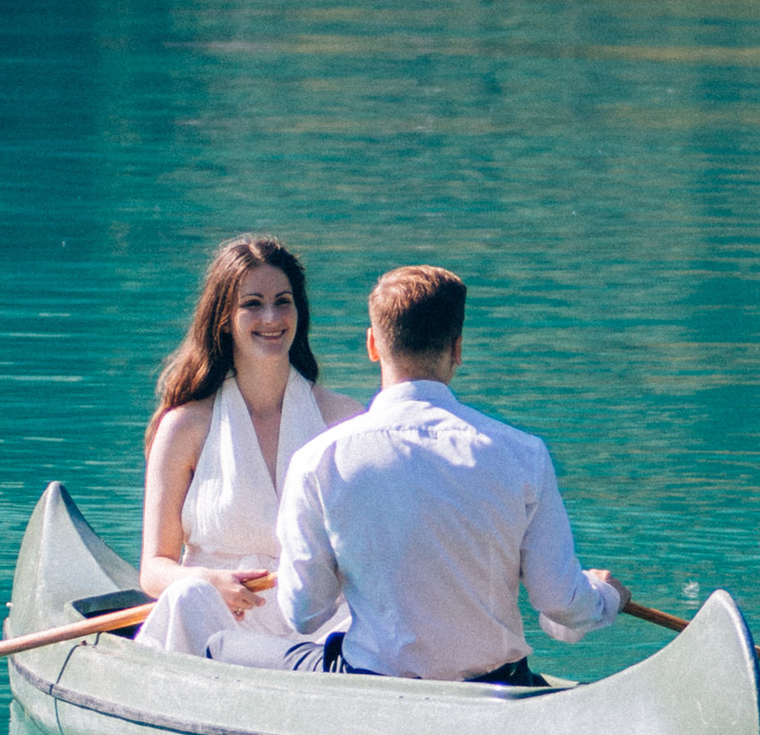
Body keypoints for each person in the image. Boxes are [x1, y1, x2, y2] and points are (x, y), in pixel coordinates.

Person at [274, 265, 624, 683]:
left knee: (223, 646)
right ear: (457, 348)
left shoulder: (319, 460)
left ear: (372, 345)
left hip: (372, 687)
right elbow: (559, 601)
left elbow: (303, 614)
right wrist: (607, 596)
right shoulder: (523, 453)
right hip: (498, 683)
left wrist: (341, 563)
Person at [138, 236, 367, 664]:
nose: (271, 317)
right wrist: (210, 580)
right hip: (216, 623)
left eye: (283, 302)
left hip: (316, 630)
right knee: (187, 593)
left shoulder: (345, 420)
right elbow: (154, 568)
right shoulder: (184, 426)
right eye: (252, 304)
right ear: (224, 319)